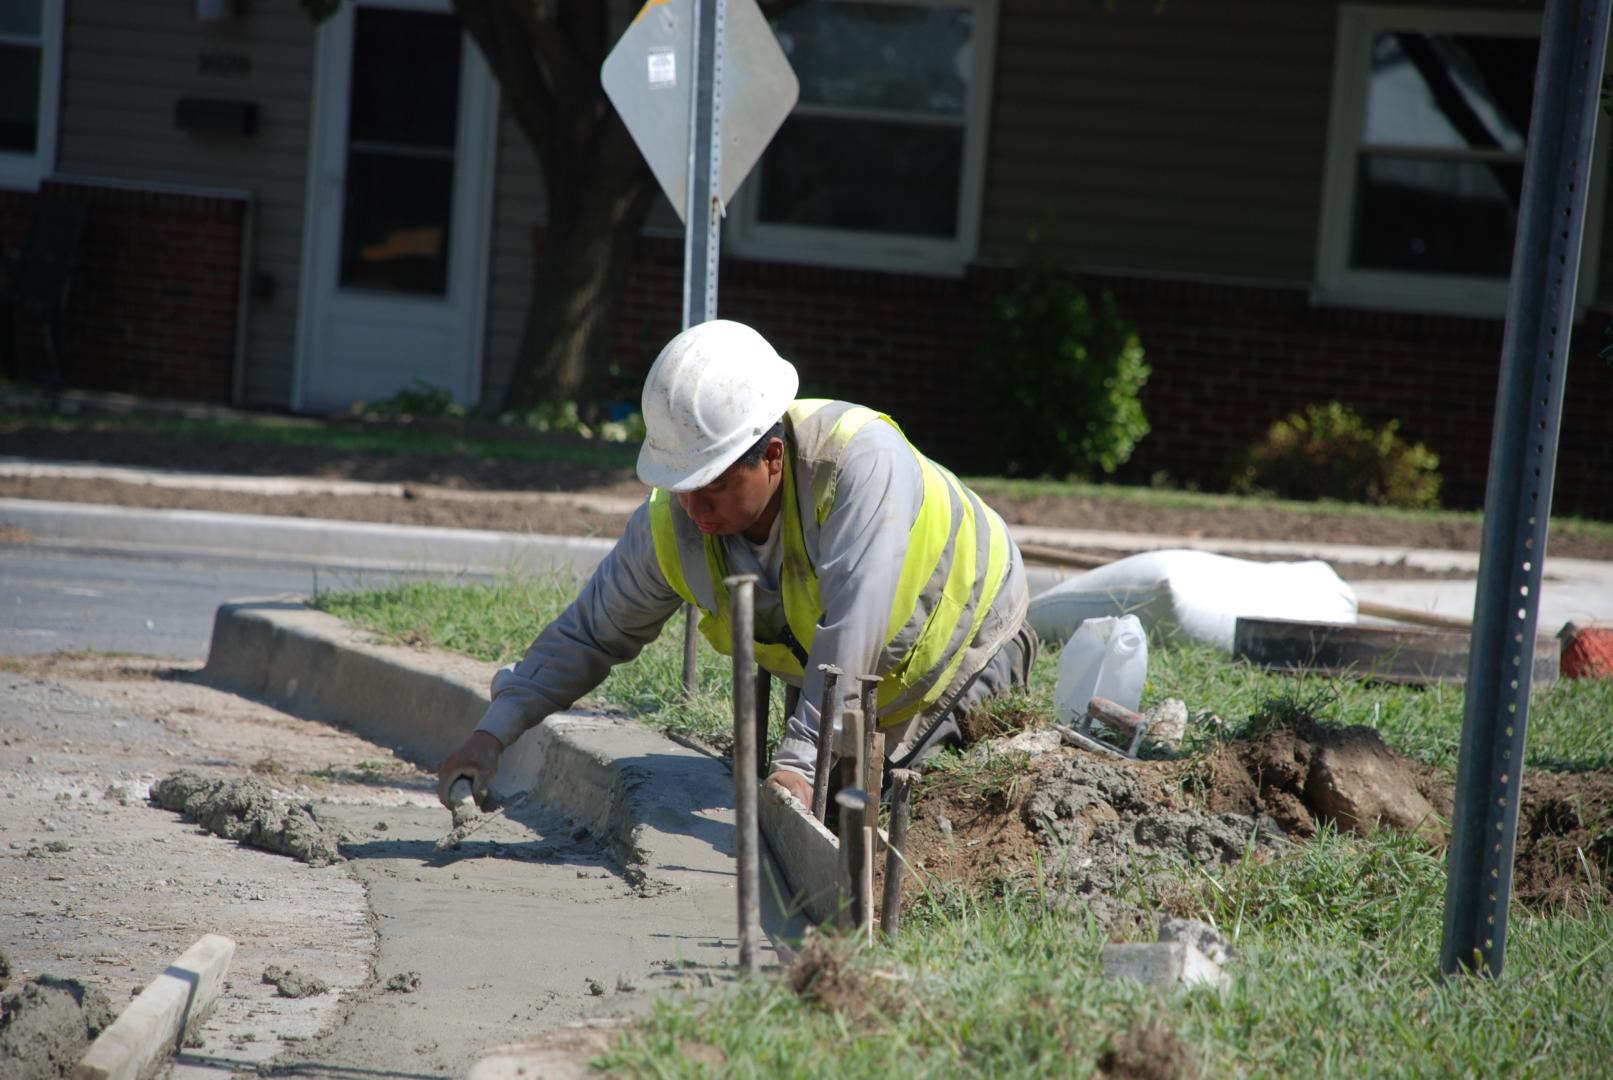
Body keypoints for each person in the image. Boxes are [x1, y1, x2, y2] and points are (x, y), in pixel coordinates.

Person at [436, 319, 1037, 810]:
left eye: (713, 485)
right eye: (682, 485)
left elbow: (853, 630)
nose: (694, 507)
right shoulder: (673, 524)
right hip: (850, 681)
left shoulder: (857, 464)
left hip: (967, 643)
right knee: (829, 807)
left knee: (912, 815)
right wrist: (493, 732)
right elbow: (590, 632)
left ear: (772, 456)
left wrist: (801, 764)